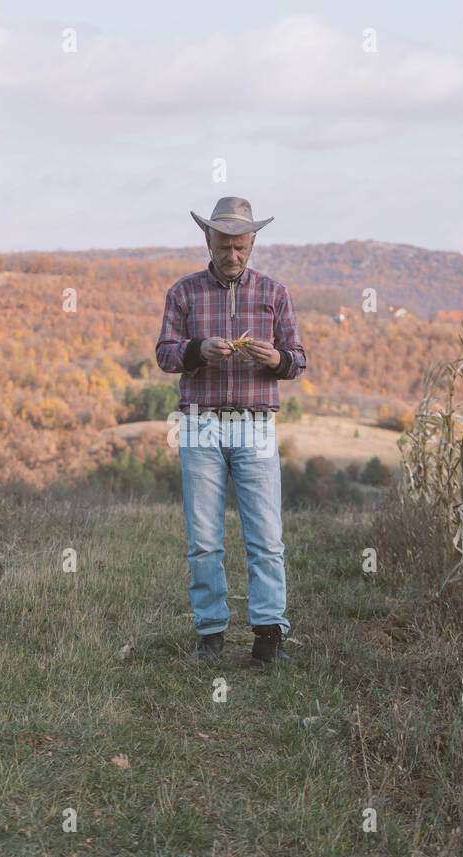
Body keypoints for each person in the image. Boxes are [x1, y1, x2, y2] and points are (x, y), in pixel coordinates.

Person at [155, 197, 307, 664]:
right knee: (204, 538)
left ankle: (268, 637)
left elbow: (297, 360)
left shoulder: (274, 293)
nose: (233, 255)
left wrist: (275, 359)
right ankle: (211, 633)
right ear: (208, 240)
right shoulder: (183, 292)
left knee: (265, 536)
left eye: (241, 247)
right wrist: (199, 349)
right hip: (201, 423)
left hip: (256, 426)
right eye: (224, 246)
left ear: (253, 242)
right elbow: (165, 355)